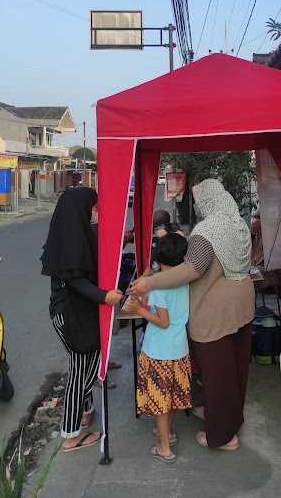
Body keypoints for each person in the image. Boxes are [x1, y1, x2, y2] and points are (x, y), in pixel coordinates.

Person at [130, 178, 254, 452]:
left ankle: (222, 436)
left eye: (199, 202)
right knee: (234, 370)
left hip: (215, 314)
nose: (198, 208)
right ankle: (229, 418)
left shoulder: (207, 231)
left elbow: (191, 270)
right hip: (242, 306)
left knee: (216, 375)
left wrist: (150, 282)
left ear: (207, 202)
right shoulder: (238, 222)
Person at [41, 187, 122, 452]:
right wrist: (104, 297)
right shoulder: (72, 241)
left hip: (73, 312)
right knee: (81, 372)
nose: (97, 213)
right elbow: (75, 280)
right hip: (71, 315)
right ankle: (71, 435)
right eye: (95, 208)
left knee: (84, 364)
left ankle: (85, 411)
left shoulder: (73, 233)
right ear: (82, 210)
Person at [126, 233, 191, 464]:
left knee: (160, 402)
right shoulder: (184, 279)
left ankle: (164, 448)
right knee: (171, 397)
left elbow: (162, 321)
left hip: (159, 351)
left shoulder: (160, 286)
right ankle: (169, 434)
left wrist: (140, 309)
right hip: (179, 348)